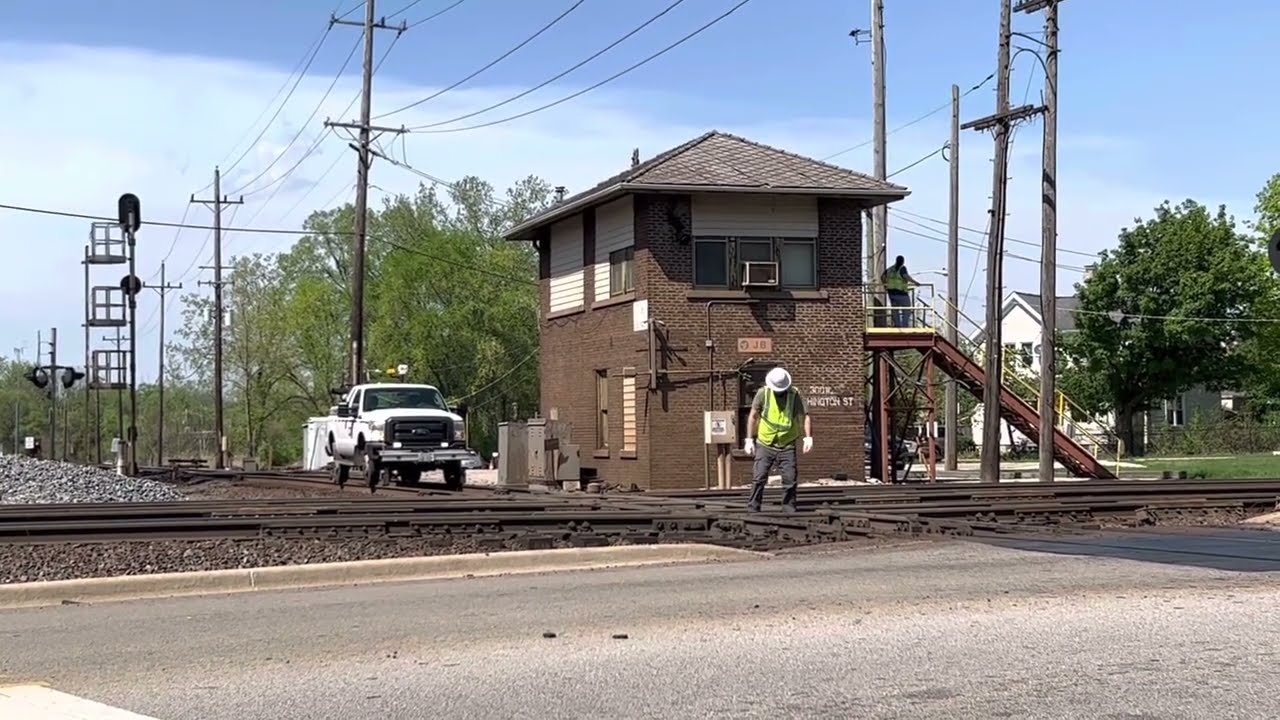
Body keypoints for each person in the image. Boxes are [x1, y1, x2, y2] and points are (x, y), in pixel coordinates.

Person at [742, 367, 812, 513]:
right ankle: (753, 508)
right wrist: (749, 439)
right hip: (765, 442)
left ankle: (788, 508)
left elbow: (805, 415)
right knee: (759, 477)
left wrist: (808, 437)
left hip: (787, 443)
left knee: (790, 479)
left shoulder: (794, 394)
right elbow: (753, 415)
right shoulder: (763, 394)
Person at [881, 255, 918, 328]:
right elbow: (905, 276)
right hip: (901, 293)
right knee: (906, 309)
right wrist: (915, 282)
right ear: (903, 261)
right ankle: (904, 325)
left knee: (895, 310)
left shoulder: (890, 269)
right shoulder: (902, 268)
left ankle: (897, 324)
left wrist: (885, 286)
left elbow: (882, 277)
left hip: (892, 293)